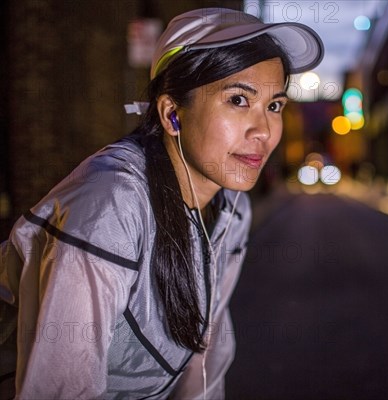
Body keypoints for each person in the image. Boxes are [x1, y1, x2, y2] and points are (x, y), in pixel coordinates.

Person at [0, 7, 323, 399]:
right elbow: (59, 390)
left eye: (274, 105)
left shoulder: (233, 209)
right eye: (239, 100)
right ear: (172, 114)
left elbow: (205, 366)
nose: (265, 131)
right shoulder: (110, 207)